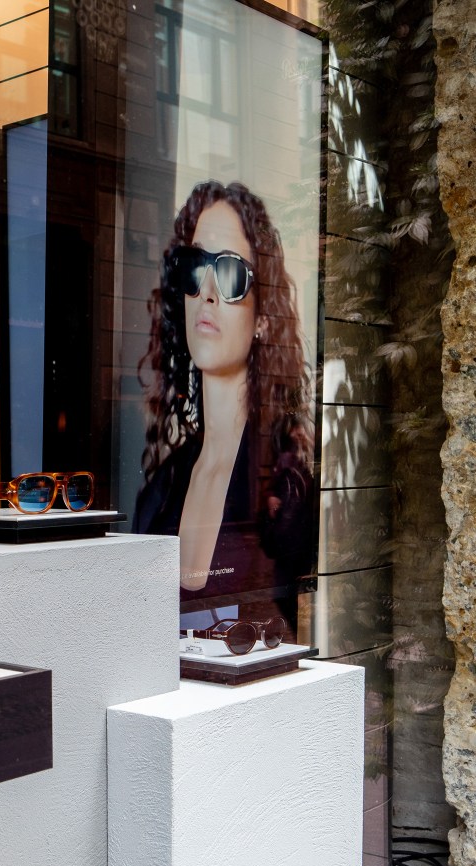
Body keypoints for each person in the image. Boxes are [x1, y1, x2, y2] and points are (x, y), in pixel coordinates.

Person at [133, 180, 315, 618]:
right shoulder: (161, 488)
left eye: (231, 272)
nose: (208, 293)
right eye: (195, 267)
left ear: (263, 320)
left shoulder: (286, 481)